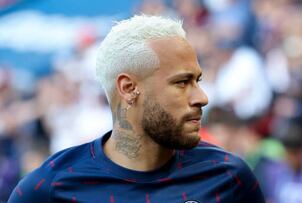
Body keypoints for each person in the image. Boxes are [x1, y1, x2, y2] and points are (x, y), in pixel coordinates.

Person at [8, 15, 265, 203]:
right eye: (181, 83)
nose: (202, 97)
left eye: (197, 81)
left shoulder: (228, 177)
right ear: (129, 88)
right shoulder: (50, 186)